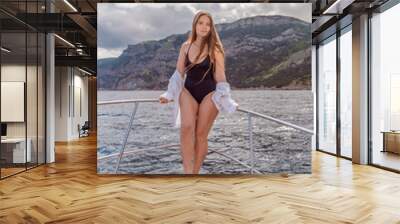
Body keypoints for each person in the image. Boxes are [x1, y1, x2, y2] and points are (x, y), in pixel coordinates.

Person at [159, 11, 238, 174]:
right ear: (195, 25)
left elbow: (220, 76)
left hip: (210, 94)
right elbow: (178, 74)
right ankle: (187, 172)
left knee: (201, 134)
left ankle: (195, 172)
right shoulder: (185, 47)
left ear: (211, 28)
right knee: (187, 128)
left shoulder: (215, 49)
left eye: (208, 24)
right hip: (188, 91)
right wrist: (169, 94)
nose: (204, 27)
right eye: (201, 23)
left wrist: (226, 97)